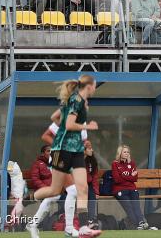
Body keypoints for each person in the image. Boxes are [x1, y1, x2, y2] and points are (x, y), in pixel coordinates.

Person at [32, 75, 101, 238]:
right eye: (95, 85)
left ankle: (81, 227)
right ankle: (30, 198)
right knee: (56, 191)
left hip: (75, 151)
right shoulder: (76, 102)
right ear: (89, 86)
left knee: (81, 189)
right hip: (62, 151)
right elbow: (66, 125)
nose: (88, 105)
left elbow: (55, 117)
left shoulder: (76, 104)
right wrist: (87, 126)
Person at [110, 145, 150, 230]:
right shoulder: (115, 164)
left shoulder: (132, 163)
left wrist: (124, 176)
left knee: (136, 206)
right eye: (124, 152)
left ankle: (141, 222)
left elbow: (135, 178)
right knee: (129, 207)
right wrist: (130, 176)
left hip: (132, 188)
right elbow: (117, 180)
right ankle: (139, 225)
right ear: (120, 153)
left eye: (128, 152)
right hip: (120, 190)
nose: (127, 154)